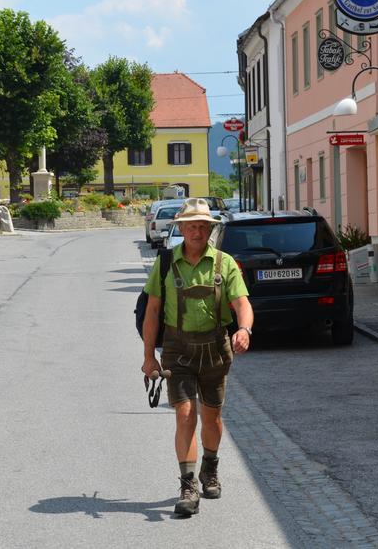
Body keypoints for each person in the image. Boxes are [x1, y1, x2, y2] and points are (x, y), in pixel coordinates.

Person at [141, 198, 254, 517]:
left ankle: (210, 467)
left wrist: (244, 329)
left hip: (216, 348)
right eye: (191, 226)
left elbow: (243, 303)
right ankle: (188, 485)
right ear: (181, 229)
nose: (197, 231)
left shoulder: (224, 262)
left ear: (209, 230)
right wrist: (149, 356)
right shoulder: (165, 262)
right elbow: (151, 311)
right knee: (185, 414)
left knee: (213, 417)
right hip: (177, 350)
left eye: (203, 226)